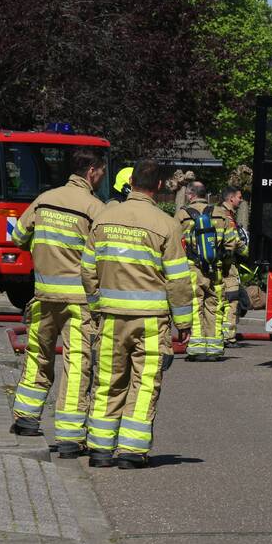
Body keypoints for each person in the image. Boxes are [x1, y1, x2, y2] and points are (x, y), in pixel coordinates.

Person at [81, 160, 192, 469]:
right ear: (157, 186)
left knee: (107, 382)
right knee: (143, 385)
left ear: (131, 183)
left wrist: (95, 305)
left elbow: (88, 268)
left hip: (111, 318)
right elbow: (179, 279)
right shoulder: (166, 224)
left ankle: (100, 450)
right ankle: (131, 452)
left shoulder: (104, 217)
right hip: (150, 322)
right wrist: (183, 322)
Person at [8, 148, 108, 459]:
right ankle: (69, 437)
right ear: (91, 171)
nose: (102, 177)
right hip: (79, 301)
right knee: (77, 363)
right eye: (101, 172)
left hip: (43, 296)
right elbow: (102, 255)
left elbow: (18, 236)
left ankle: (25, 419)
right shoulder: (95, 208)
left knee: (38, 354)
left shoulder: (44, 199)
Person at [174, 181, 228, 362]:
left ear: (190, 195)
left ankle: (196, 348)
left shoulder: (182, 215)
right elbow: (232, 243)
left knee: (194, 305)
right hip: (216, 269)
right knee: (214, 306)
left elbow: (174, 243)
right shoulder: (221, 214)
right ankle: (214, 348)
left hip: (192, 268)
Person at [218, 186, 248, 349]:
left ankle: (220, 335)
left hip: (219, 264)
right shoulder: (227, 217)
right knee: (232, 300)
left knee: (220, 301)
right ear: (231, 199)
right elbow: (235, 241)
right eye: (239, 197)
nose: (241, 199)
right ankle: (228, 337)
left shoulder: (218, 212)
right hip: (228, 266)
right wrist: (249, 252)